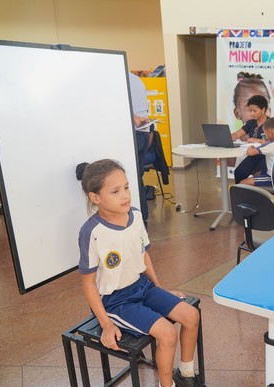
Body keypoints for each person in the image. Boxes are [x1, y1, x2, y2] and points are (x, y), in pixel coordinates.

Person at [76, 159, 202, 387]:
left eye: (126, 187)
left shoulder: (135, 217)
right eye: (115, 191)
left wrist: (160, 290)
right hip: (116, 301)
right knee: (167, 334)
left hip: (143, 286)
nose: (125, 195)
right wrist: (105, 324)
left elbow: (144, 256)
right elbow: (88, 283)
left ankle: (186, 374)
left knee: (191, 316)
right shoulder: (91, 232)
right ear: (96, 198)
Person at [128, 72, 152, 226]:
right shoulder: (136, 80)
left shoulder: (119, 79)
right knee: (138, 176)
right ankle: (142, 218)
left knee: (132, 178)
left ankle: (139, 220)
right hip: (143, 133)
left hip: (134, 133)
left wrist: (134, 117)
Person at [236, 117, 274, 186]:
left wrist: (250, 147)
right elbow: (269, 145)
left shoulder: (270, 145)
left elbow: (250, 152)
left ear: (270, 132)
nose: (265, 136)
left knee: (243, 182)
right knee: (257, 174)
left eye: (265, 134)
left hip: (272, 179)